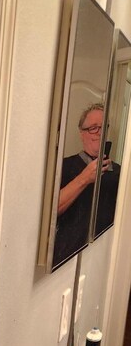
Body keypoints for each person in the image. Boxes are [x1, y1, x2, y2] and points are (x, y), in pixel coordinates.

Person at [53, 103, 118, 267]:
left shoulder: (120, 173)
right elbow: (51, 212)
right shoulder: (63, 167)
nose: (99, 133)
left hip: (105, 256)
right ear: (82, 133)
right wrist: (84, 178)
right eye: (93, 128)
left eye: (103, 127)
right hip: (67, 255)